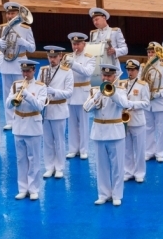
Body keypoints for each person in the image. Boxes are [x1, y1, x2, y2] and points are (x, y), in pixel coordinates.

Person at [84, 64, 130, 206]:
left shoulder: (121, 90)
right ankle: (103, 194)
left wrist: (112, 93)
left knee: (117, 166)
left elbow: (124, 104)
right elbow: (86, 108)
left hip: (115, 132)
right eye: (104, 75)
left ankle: (117, 194)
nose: (106, 78)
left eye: (109, 76)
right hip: (98, 132)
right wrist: (98, 95)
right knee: (102, 166)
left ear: (114, 77)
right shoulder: (94, 91)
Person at [6, 60, 47, 200]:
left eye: (28, 71)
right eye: (23, 71)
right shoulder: (15, 85)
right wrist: (14, 95)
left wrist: (27, 95)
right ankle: (22, 188)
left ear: (33, 71)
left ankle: (34, 188)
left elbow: (40, 106)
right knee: (21, 159)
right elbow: (7, 105)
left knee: (34, 159)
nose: (25, 74)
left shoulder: (41, 87)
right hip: (18, 125)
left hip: (33, 126)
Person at [0, 2, 36, 131]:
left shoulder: (26, 29)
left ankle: (21, 116)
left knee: (21, 90)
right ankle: (10, 120)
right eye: (8, 13)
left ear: (18, 14)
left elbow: (33, 48)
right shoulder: (1, 28)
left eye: (12, 13)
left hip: (20, 63)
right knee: (7, 92)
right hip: (6, 63)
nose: (9, 16)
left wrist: (22, 42)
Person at [38, 46, 74, 179]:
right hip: (46, 110)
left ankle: (59, 167)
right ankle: (49, 166)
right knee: (47, 140)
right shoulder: (43, 71)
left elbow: (69, 92)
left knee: (59, 140)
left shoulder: (67, 72)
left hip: (59, 108)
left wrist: (54, 91)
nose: (52, 59)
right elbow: (38, 87)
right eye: (50, 57)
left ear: (60, 56)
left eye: (54, 57)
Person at [142, 42, 163, 163]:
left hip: (160, 103)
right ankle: (149, 151)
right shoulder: (143, 67)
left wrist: (160, 93)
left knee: (161, 130)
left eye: (153, 52)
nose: (150, 54)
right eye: (149, 52)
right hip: (147, 104)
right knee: (148, 128)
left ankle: (160, 153)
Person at [65, 32, 96, 160]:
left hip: (83, 93)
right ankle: (73, 149)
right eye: (73, 44)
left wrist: (74, 64)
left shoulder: (90, 57)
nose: (75, 46)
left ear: (84, 44)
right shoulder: (67, 57)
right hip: (71, 93)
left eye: (78, 44)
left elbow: (87, 72)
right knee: (71, 123)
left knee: (83, 123)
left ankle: (83, 149)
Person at [122, 60, 150, 183]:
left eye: (133, 70)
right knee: (127, 148)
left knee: (139, 149)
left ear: (138, 71)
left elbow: (146, 103)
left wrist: (131, 104)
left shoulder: (143, 85)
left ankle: (140, 173)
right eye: (128, 70)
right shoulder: (123, 84)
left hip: (138, 121)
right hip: (125, 121)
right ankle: (128, 171)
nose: (130, 72)